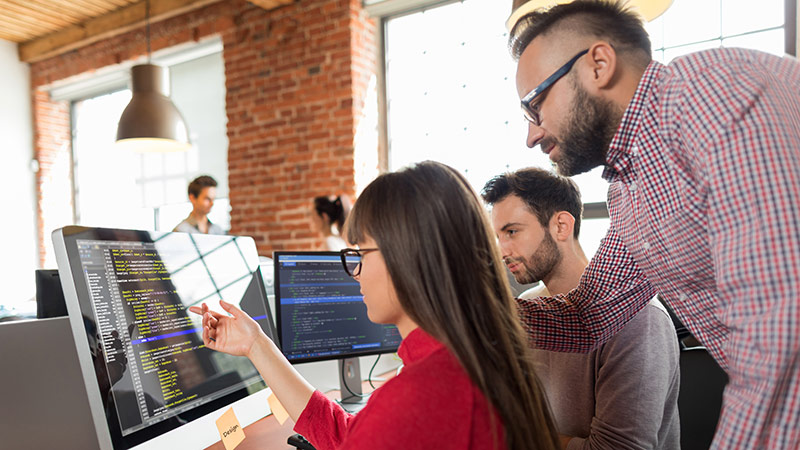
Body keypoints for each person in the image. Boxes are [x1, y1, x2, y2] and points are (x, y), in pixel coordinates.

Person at [508, 1, 800, 447]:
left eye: (535, 105)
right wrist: (472, 310)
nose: (531, 134)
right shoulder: (629, 189)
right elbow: (590, 317)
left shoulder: (719, 98)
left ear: (598, 64)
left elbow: (783, 343)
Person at [190, 161, 560, 450]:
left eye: (361, 253)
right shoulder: (484, 357)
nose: (355, 273)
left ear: (408, 257)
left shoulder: (417, 398)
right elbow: (348, 437)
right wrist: (256, 344)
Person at [482, 167, 679, 450]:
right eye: (498, 237)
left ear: (561, 226)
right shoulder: (528, 306)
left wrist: (520, 437)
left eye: (512, 231)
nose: (502, 250)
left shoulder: (638, 317)